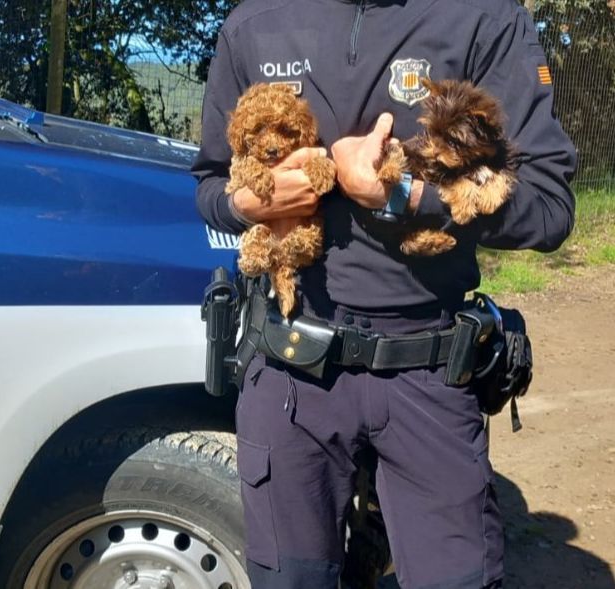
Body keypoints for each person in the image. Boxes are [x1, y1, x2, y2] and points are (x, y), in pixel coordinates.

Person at [191, 1, 576, 588]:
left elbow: (549, 207)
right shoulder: (254, 23)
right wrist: (249, 204)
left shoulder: (484, 18)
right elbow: (211, 185)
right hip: (292, 373)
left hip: (429, 375)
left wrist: (403, 199)